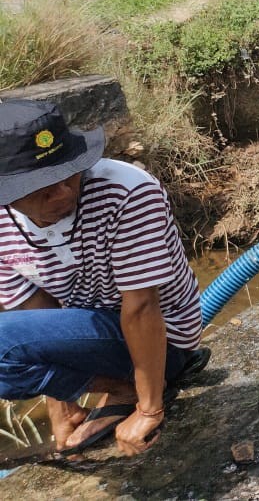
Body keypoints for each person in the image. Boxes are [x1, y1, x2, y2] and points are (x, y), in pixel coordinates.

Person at [0, 100, 204, 457]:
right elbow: (38, 318)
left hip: (164, 339)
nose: (63, 192)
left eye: (68, 175)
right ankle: (118, 387)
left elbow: (141, 307)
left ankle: (135, 391)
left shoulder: (126, 191)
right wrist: (61, 406)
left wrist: (148, 410)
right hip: (97, 336)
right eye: (43, 188)